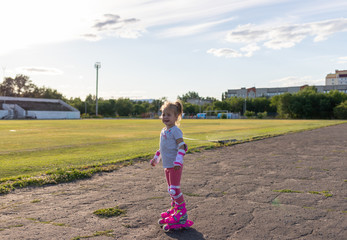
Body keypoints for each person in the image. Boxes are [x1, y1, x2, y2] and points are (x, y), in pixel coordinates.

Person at [150, 100, 190, 225]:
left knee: (174, 189)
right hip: (167, 165)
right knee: (170, 189)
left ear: (176, 116)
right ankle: (175, 209)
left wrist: (178, 160)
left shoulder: (175, 131)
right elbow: (163, 148)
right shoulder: (164, 131)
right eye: (163, 114)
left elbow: (182, 146)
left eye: (169, 115)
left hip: (175, 166)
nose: (165, 117)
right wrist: (156, 158)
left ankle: (182, 214)